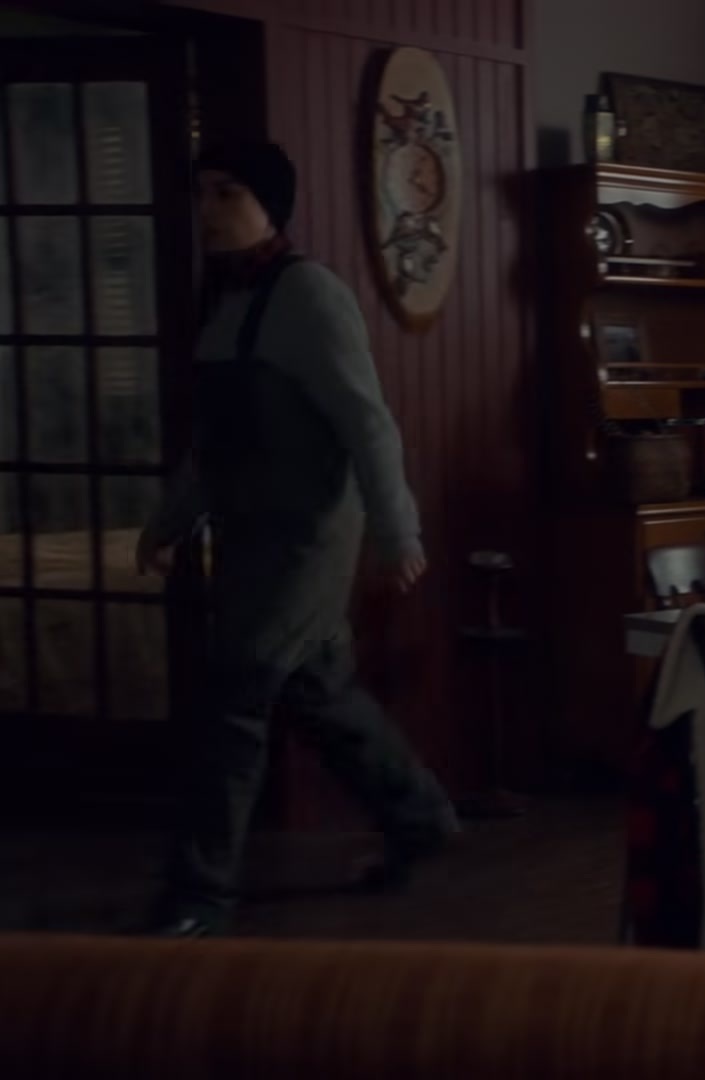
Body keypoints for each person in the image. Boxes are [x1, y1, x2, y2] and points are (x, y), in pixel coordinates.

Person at [137, 141, 457, 938]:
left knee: (234, 696)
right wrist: (169, 522)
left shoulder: (311, 295)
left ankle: (200, 893)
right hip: (249, 538)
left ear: (271, 204)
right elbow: (215, 447)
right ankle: (421, 818)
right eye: (202, 193)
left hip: (308, 543)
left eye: (229, 193)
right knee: (319, 693)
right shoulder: (225, 306)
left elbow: (368, 424)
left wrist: (398, 531)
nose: (208, 209)